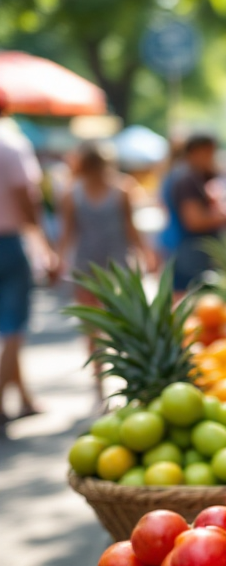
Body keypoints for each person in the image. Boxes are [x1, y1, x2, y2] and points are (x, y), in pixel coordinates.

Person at [57, 140, 157, 399]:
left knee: (106, 325)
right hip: (98, 269)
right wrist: (145, 253)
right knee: (100, 325)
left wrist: (145, 253)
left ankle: (111, 379)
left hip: (105, 267)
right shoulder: (80, 193)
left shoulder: (119, 189)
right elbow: (70, 231)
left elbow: (68, 234)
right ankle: (103, 378)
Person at [0, 93, 57, 424]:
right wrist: (45, 247)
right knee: (14, 328)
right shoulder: (11, 144)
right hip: (8, 242)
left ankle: (23, 397)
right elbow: (28, 198)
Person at [167, 133, 226, 292]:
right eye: (210, 152)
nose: (212, 157)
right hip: (193, 254)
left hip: (196, 252)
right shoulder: (186, 179)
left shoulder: (194, 176)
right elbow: (194, 221)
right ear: (197, 151)